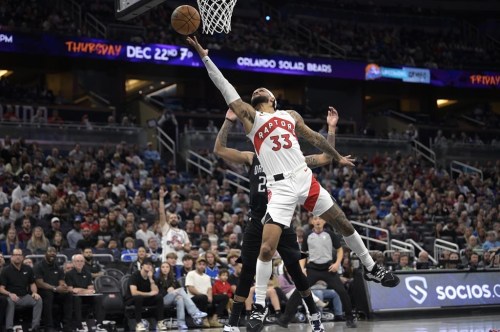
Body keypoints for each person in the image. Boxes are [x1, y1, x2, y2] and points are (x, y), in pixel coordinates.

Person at [187, 36, 399, 332]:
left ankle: (372, 267)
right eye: (255, 90)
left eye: (264, 89)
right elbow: (225, 87)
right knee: (265, 250)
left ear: (274, 98)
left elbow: (316, 140)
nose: (258, 89)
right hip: (281, 189)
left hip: (304, 176)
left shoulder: (290, 115)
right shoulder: (252, 119)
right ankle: (259, 307)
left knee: (343, 222)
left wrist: (336, 153)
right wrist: (205, 57)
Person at [213, 107, 344, 332]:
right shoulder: (251, 157)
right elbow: (219, 149)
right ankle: (234, 323)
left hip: (280, 219)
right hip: (257, 220)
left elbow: (325, 157)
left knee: (295, 270)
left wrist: (331, 129)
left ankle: (314, 317)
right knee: (246, 271)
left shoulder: (291, 160)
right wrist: (227, 120)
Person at [301, 216, 356, 327]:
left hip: (328, 268)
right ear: (312, 221)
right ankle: (285, 319)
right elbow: (303, 253)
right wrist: (302, 267)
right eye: (315, 219)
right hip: (313, 268)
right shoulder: (307, 235)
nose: (318, 221)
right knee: (300, 291)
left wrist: (337, 263)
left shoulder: (330, 234)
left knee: (342, 292)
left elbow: (340, 250)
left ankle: (350, 318)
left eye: (320, 219)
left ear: (324, 221)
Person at [0, 248, 42, 332]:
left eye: (19, 255)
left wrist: (34, 292)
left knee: (38, 300)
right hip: (11, 296)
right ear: (11, 257)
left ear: (22, 257)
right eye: (15, 255)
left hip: (24, 296)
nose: (18, 257)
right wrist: (10, 294)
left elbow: (32, 283)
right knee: (10, 302)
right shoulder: (6, 270)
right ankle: (9, 328)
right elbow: (1, 288)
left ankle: (35, 327)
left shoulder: (28, 269)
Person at [156, 261, 207, 330]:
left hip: (174, 299)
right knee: (179, 291)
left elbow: (183, 291)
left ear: (170, 269)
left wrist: (173, 290)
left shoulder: (173, 279)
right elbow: (157, 293)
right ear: (160, 269)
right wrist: (169, 292)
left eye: (167, 267)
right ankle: (194, 312)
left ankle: (181, 323)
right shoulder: (157, 279)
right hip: (162, 300)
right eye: (163, 267)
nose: (165, 269)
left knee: (180, 298)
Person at [34, 246, 73, 332]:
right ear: (45, 254)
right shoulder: (38, 266)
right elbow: (39, 283)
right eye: (50, 251)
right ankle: (49, 326)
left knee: (68, 295)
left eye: (54, 252)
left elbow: (61, 281)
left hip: (56, 291)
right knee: (48, 294)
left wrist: (63, 287)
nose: (52, 253)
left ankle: (67, 325)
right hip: (42, 292)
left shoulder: (58, 267)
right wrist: (54, 288)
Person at [125, 257, 168, 331]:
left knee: (159, 297)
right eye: (146, 264)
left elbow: (155, 292)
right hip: (132, 299)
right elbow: (134, 292)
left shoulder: (151, 276)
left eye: (150, 265)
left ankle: (160, 322)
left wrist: (151, 279)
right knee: (138, 297)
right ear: (142, 266)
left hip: (145, 299)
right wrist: (149, 294)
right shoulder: (135, 276)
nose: (149, 266)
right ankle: (138, 324)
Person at [65, 254, 105, 331]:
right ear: (73, 263)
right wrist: (83, 290)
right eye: (77, 261)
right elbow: (71, 289)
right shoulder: (69, 274)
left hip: (86, 296)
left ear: (84, 263)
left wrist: (80, 290)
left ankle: (99, 323)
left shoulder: (87, 273)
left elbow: (90, 289)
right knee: (77, 299)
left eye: (81, 261)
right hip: (73, 297)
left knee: (98, 298)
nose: (79, 263)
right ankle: (79, 325)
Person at [185, 256, 228, 328]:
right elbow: (190, 288)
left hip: (205, 296)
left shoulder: (207, 277)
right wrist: (204, 295)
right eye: (200, 264)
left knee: (225, 297)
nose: (202, 266)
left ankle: (214, 318)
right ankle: (204, 319)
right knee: (203, 297)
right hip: (193, 297)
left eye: (203, 264)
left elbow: (209, 288)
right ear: (196, 265)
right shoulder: (191, 274)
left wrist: (210, 296)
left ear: (205, 266)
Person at [158, 190, 192, 264]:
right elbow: (161, 213)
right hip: (166, 263)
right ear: (168, 220)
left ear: (178, 220)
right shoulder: (165, 229)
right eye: (171, 218)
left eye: (175, 217)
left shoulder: (183, 233)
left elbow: (188, 248)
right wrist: (161, 199)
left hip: (180, 263)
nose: (173, 219)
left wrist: (181, 247)